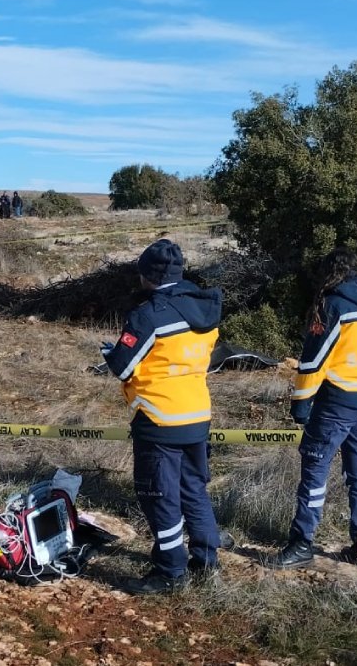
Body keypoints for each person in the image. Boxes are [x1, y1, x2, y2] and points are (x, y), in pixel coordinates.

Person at [101, 239, 223, 595]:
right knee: (194, 490)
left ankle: (170, 571)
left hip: (158, 418)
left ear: (147, 275)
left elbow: (123, 368)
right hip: (197, 413)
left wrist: (111, 353)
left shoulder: (148, 315)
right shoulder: (206, 307)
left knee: (159, 496)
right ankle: (205, 560)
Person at [272, 247, 357, 570]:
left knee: (314, 469)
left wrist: (301, 404)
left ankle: (301, 543)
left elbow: (313, 361)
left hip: (338, 400)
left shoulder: (333, 305)